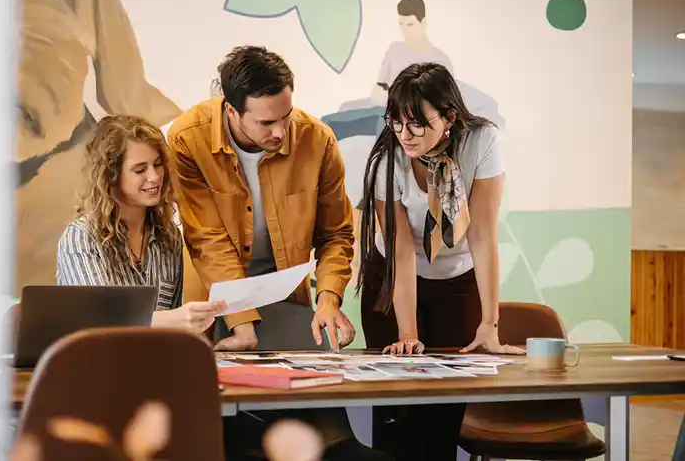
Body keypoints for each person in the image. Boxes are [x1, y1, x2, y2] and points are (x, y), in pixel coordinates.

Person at [168, 45, 390, 460]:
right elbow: (207, 238)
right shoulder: (187, 138)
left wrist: (328, 300)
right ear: (231, 111)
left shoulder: (317, 139)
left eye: (286, 117)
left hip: (288, 304)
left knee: (330, 441)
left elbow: (337, 233)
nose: (280, 132)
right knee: (219, 436)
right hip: (213, 305)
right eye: (267, 122)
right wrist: (240, 321)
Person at [356, 62, 524, 460]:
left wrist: (490, 324)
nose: (404, 135)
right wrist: (408, 333)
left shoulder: (481, 142)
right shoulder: (387, 160)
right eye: (395, 122)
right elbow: (399, 250)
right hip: (394, 279)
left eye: (417, 124)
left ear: (448, 116)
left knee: (445, 412)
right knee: (399, 411)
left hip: (456, 279)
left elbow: (481, 235)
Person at [56, 114, 225, 333]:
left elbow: (169, 331)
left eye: (157, 165)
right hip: (96, 363)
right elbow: (97, 321)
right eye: (140, 170)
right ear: (110, 175)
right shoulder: (80, 237)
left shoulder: (169, 236)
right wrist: (174, 319)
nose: (154, 176)